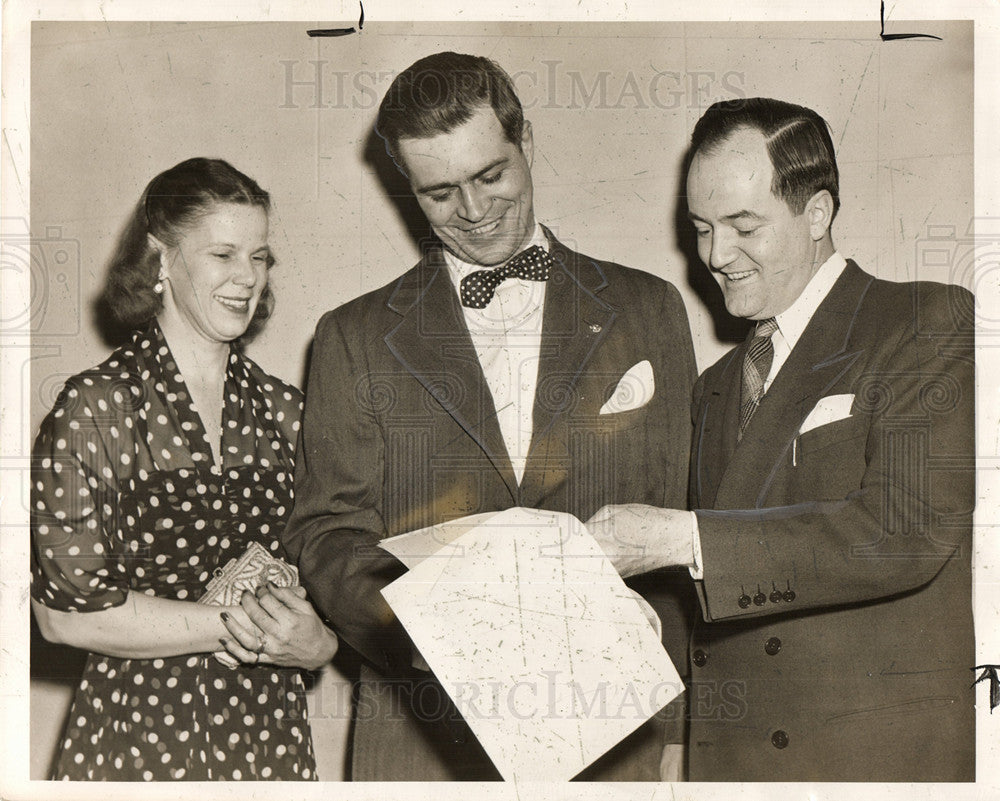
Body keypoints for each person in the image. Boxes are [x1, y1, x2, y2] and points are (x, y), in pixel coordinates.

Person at [282, 52, 699, 781]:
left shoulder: (649, 308)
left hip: (615, 737)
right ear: (406, 188)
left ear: (526, 143)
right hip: (423, 740)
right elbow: (326, 532)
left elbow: (681, 516)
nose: (473, 213)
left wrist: (680, 733)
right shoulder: (351, 336)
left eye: (491, 176)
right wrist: (430, 640)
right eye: (439, 194)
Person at [587, 97, 975, 781]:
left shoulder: (920, 321)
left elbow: (906, 530)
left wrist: (684, 538)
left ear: (817, 212)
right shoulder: (712, 385)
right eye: (702, 227)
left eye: (743, 226)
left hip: (871, 766)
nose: (714, 254)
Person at [30, 157, 339, 781]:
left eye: (259, 257)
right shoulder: (96, 405)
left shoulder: (286, 411)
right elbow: (60, 617)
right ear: (162, 259)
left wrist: (320, 644)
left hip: (267, 730)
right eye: (224, 254)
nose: (246, 277)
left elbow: (332, 571)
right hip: (137, 728)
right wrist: (241, 628)